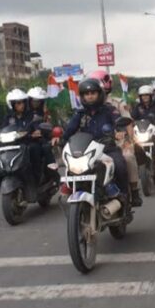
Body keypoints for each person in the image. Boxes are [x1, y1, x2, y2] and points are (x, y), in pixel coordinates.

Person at [53, 79, 132, 217]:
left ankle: (123, 196)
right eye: (86, 93)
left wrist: (120, 131)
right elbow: (70, 130)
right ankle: (72, 191)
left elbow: (119, 123)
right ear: (82, 97)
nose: (89, 96)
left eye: (93, 93)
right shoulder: (80, 114)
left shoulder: (109, 110)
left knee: (120, 164)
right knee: (72, 168)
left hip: (107, 149)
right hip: (86, 151)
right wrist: (60, 139)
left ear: (99, 94)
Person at [88, 70, 142, 206]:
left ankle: (133, 191)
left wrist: (129, 141)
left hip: (117, 144)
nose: (91, 94)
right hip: (93, 146)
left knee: (128, 158)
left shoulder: (116, 104)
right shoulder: (84, 107)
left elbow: (127, 123)